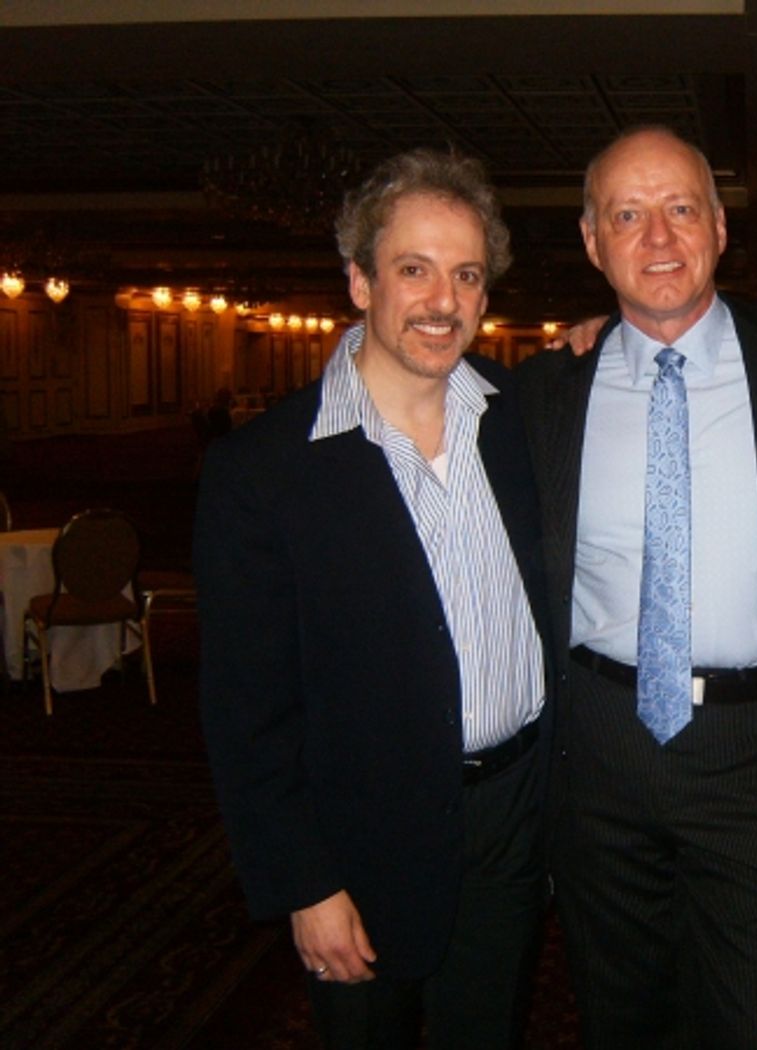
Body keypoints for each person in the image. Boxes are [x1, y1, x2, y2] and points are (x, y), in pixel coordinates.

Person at [195, 149, 551, 1050]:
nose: (443, 300)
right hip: (362, 839)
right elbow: (246, 712)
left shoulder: (519, 417)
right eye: (413, 270)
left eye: (465, 274)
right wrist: (302, 884)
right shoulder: (263, 471)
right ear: (359, 281)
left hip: (515, 819)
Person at [517, 126, 757, 1050]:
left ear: (717, 227)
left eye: (679, 210)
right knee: (621, 1019)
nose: (657, 239)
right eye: (628, 215)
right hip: (598, 749)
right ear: (593, 243)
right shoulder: (545, 391)